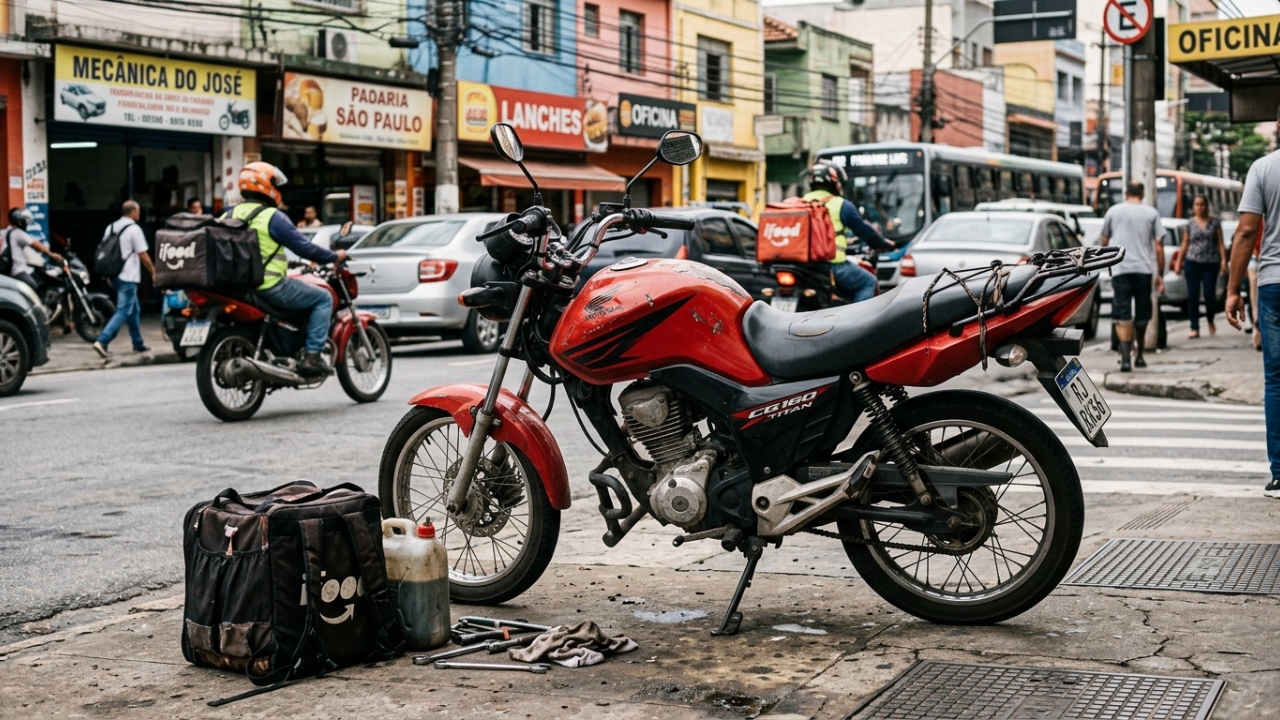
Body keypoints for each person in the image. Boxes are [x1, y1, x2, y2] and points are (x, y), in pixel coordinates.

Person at [230, 162, 346, 377]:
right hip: (269, 286)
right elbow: (304, 247)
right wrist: (333, 256)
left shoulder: (229, 214)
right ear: (266, 186)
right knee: (323, 298)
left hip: (237, 286)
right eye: (275, 184)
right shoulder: (272, 217)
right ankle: (312, 355)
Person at [1226, 107, 1280, 497]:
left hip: (1275, 283)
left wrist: (1233, 290)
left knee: (1276, 379)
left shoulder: (1262, 168)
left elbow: (1246, 232)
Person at [802, 162, 895, 303]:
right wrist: (883, 243)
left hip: (804, 266)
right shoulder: (841, 204)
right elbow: (865, 231)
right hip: (833, 265)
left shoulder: (801, 202)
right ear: (834, 183)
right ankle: (857, 317)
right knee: (868, 282)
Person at [1099, 181, 1165, 373]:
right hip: (1143, 269)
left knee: (1123, 313)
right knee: (1143, 313)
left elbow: (1104, 242)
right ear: (1143, 194)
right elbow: (1159, 246)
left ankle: (1126, 360)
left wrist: (1107, 265)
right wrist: (1159, 274)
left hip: (1120, 269)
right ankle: (1140, 356)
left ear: (1125, 192)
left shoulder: (1113, 211)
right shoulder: (1152, 213)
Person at [93, 200, 155, 357]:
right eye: (138, 211)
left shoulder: (111, 227)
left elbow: (105, 253)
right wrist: (153, 271)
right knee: (123, 311)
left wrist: (108, 274)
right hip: (128, 275)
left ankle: (138, 343)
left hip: (115, 275)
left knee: (134, 310)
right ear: (132, 212)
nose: (139, 214)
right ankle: (102, 340)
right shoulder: (134, 229)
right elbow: (142, 254)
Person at [1172, 195, 1227, 338]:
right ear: (1193, 207)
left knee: (1209, 294)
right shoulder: (1190, 223)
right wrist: (1178, 262)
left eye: (1202, 204)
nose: (1199, 207)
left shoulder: (1215, 222)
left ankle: (1210, 319)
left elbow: (1220, 243)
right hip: (1192, 261)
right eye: (1196, 204)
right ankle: (1194, 327)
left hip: (1211, 262)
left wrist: (1223, 260)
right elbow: (1185, 243)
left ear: (1206, 206)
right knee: (1193, 295)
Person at [2, 208, 63, 290]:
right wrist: (52, 254)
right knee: (34, 287)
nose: (26, 224)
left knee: (40, 277)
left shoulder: (10, 232)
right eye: (24, 221)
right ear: (19, 222)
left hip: (22, 269)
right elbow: (35, 244)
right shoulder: (18, 233)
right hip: (18, 271)